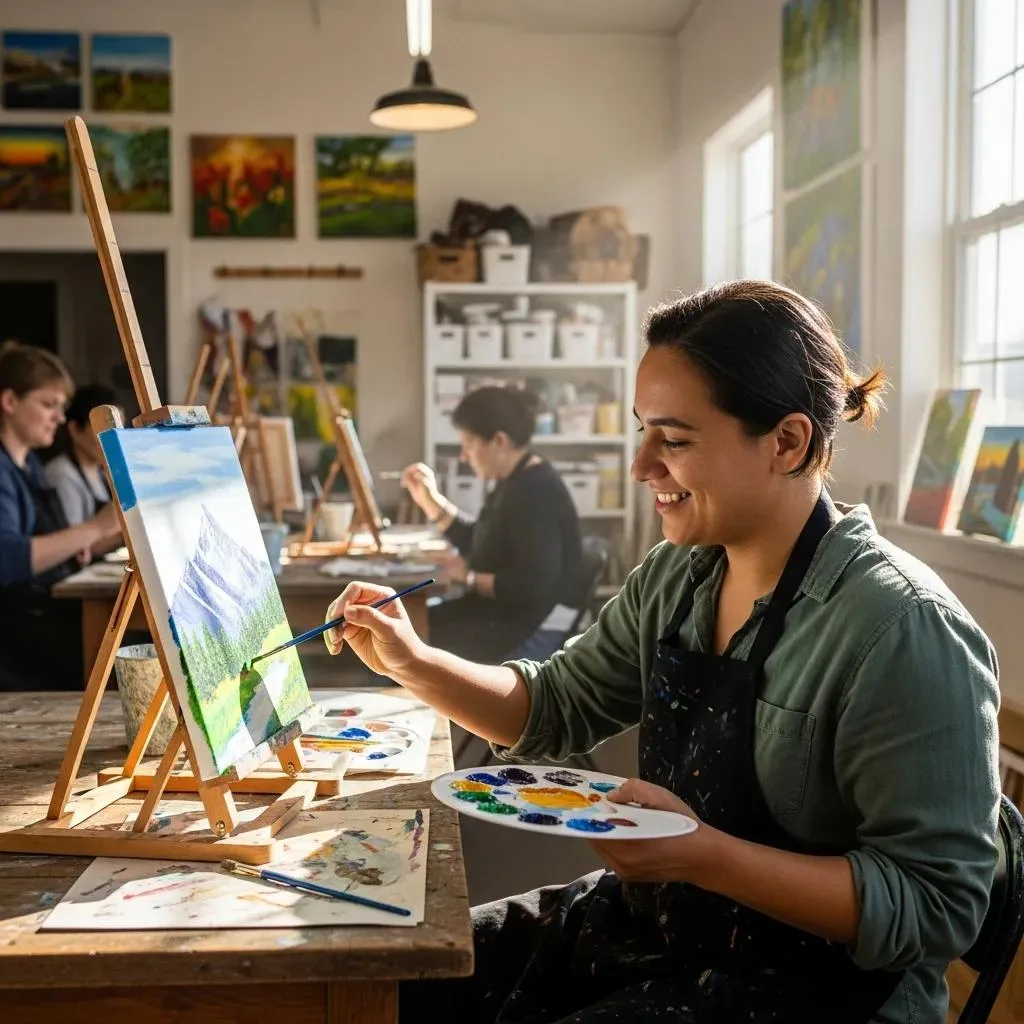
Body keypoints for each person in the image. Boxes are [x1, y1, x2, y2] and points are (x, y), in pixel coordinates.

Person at [324, 281, 1001, 1024]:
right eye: (643, 431)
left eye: (674, 441)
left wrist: (705, 856)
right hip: (662, 929)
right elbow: (553, 706)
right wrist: (411, 660)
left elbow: (938, 909)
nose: (642, 464)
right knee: (399, 980)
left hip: (818, 992)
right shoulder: (678, 575)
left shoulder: (901, 629)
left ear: (787, 442)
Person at [400, 384, 585, 663]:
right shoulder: (514, 480)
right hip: (499, 613)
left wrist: (469, 578)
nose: (464, 456)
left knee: (403, 639)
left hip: (522, 624)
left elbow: (534, 585)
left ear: (499, 441)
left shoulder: (535, 491)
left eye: (468, 445)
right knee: (406, 624)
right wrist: (430, 501)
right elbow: (481, 540)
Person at [0, 342, 122, 691]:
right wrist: (96, 527)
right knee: (126, 656)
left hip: (43, 616)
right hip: (17, 634)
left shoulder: (30, 465)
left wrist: (75, 546)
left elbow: (55, 543)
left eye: (61, 407)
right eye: (48, 404)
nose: (59, 417)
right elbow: (8, 558)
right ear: (10, 402)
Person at [44, 383, 120, 531]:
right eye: (105, 428)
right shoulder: (61, 474)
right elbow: (70, 542)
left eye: (118, 427)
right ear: (75, 429)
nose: (114, 438)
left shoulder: (101, 471)